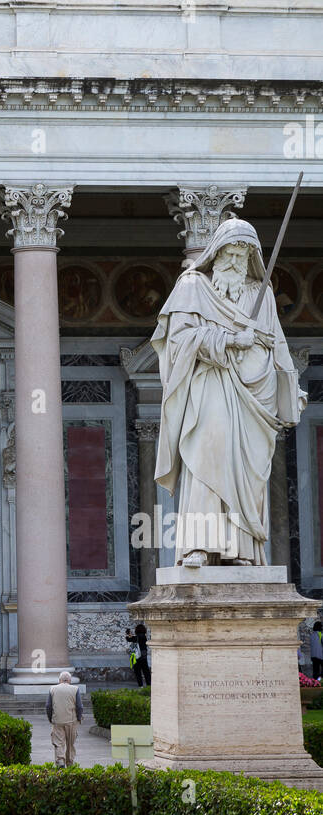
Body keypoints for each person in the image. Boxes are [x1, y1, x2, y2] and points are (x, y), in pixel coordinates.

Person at [152, 218, 305, 566]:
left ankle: (244, 550)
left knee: (247, 473)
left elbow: (277, 345)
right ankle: (198, 546)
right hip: (210, 386)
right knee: (207, 454)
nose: (235, 261)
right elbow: (179, 341)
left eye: (242, 255)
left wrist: (290, 389)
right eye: (230, 253)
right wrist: (229, 340)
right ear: (216, 252)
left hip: (253, 395)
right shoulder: (193, 286)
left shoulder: (261, 294)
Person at [46, 671, 84, 767]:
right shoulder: (75, 689)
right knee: (70, 744)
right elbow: (79, 706)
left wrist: (51, 718)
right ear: (70, 680)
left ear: (59, 680)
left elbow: (48, 706)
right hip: (71, 721)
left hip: (57, 721)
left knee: (58, 743)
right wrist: (79, 718)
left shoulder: (52, 689)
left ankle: (60, 761)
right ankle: (70, 763)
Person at [126, 623, 151, 687]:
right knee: (146, 671)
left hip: (137, 656)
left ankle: (141, 685)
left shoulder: (137, 637)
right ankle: (149, 684)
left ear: (137, 630)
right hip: (144, 656)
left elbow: (129, 639)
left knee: (138, 671)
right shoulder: (144, 637)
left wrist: (128, 634)